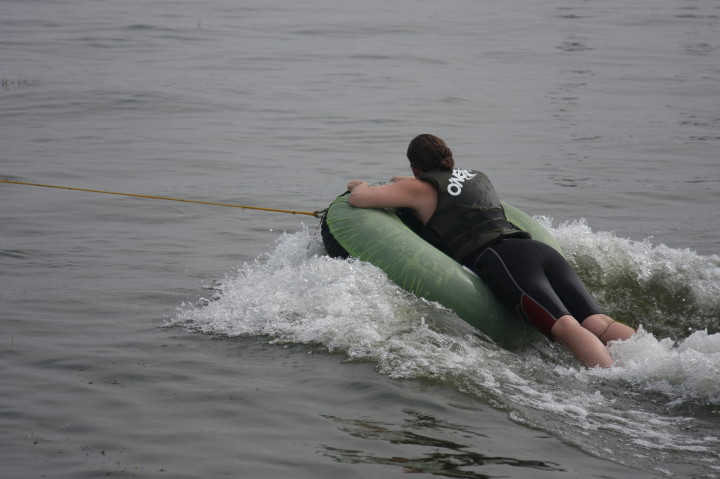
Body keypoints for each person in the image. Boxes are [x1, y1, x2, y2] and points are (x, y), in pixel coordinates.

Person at [346, 134, 635, 368]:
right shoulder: (477, 176)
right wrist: (407, 181)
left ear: (415, 168)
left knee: (564, 326)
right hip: (536, 249)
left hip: (503, 259)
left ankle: (613, 379)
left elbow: (361, 199)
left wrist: (360, 185)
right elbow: (426, 186)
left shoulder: (418, 190)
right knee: (596, 320)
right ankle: (651, 357)